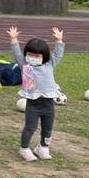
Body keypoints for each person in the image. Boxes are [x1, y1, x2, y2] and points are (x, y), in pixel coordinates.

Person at [7, 26, 65, 162]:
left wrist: (59, 41)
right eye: (30, 55)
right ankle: (24, 148)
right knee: (30, 128)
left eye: (37, 55)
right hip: (33, 105)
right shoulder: (25, 65)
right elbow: (17, 54)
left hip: (48, 104)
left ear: (44, 56)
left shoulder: (50, 64)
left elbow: (58, 54)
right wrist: (14, 39)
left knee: (48, 129)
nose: (33, 58)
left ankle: (43, 147)